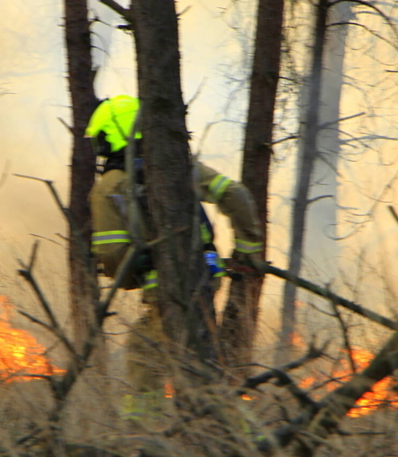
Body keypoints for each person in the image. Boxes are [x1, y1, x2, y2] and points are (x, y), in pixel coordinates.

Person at [85, 95, 265, 417]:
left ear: (112, 135)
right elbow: (236, 194)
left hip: (164, 292)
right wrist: (249, 252)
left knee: (144, 361)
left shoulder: (109, 186)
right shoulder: (179, 167)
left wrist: (127, 276)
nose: (98, 150)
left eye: (99, 140)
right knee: (197, 358)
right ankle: (215, 433)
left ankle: (148, 437)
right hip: (207, 279)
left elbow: (113, 255)